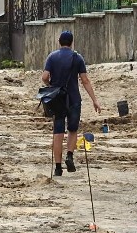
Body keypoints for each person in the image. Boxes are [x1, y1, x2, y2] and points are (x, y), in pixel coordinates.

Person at [41, 30, 101, 177]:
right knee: (73, 129)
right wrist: (95, 100)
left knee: (58, 132)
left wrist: (50, 85)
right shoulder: (77, 58)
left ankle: (57, 168)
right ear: (72, 42)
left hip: (58, 99)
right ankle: (69, 155)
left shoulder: (52, 57)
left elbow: (44, 76)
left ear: (59, 42)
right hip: (74, 98)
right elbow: (85, 80)